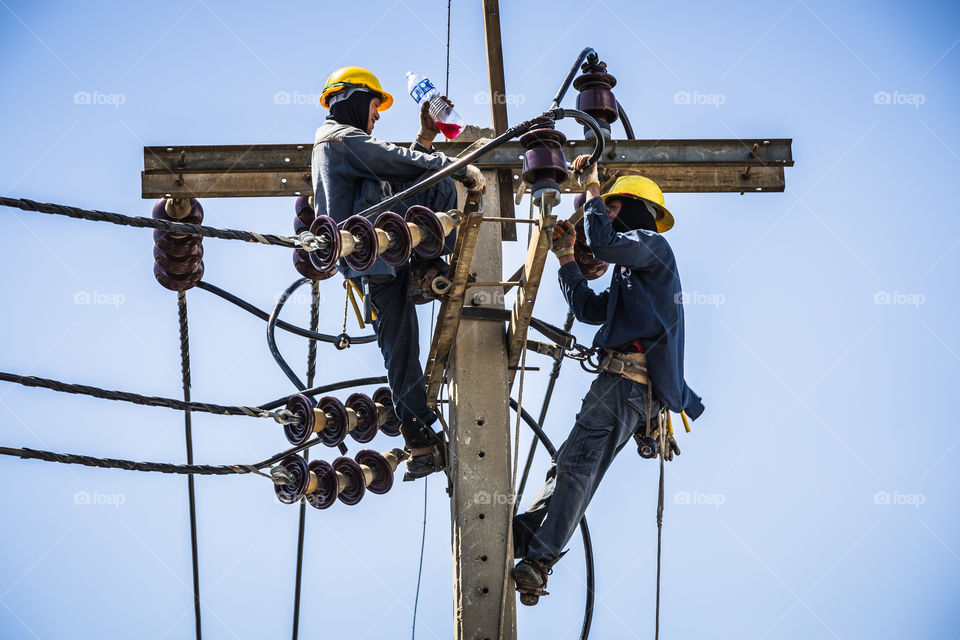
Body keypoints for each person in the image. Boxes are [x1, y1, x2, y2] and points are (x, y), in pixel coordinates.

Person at [511, 154, 705, 603]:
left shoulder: (652, 248)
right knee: (571, 462)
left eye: (616, 207)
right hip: (621, 388)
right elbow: (590, 310)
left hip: (625, 386)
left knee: (578, 466)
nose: (608, 213)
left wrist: (593, 187)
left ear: (636, 209)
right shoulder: (632, 270)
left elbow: (602, 242)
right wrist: (564, 259)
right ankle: (526, 535)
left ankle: (540, 558)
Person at [311, 66, 485, 480]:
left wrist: (425, 138)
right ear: (352, 98)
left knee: (401, 356)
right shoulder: (338, 137)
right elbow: (395, 163)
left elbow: (388, 170)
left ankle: (419, 436)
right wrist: (453, 166)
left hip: (378, 263)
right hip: (372, 244)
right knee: (433, 174)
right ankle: (428, 263)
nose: (377, 115)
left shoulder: (344, 144)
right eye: (374, 105)